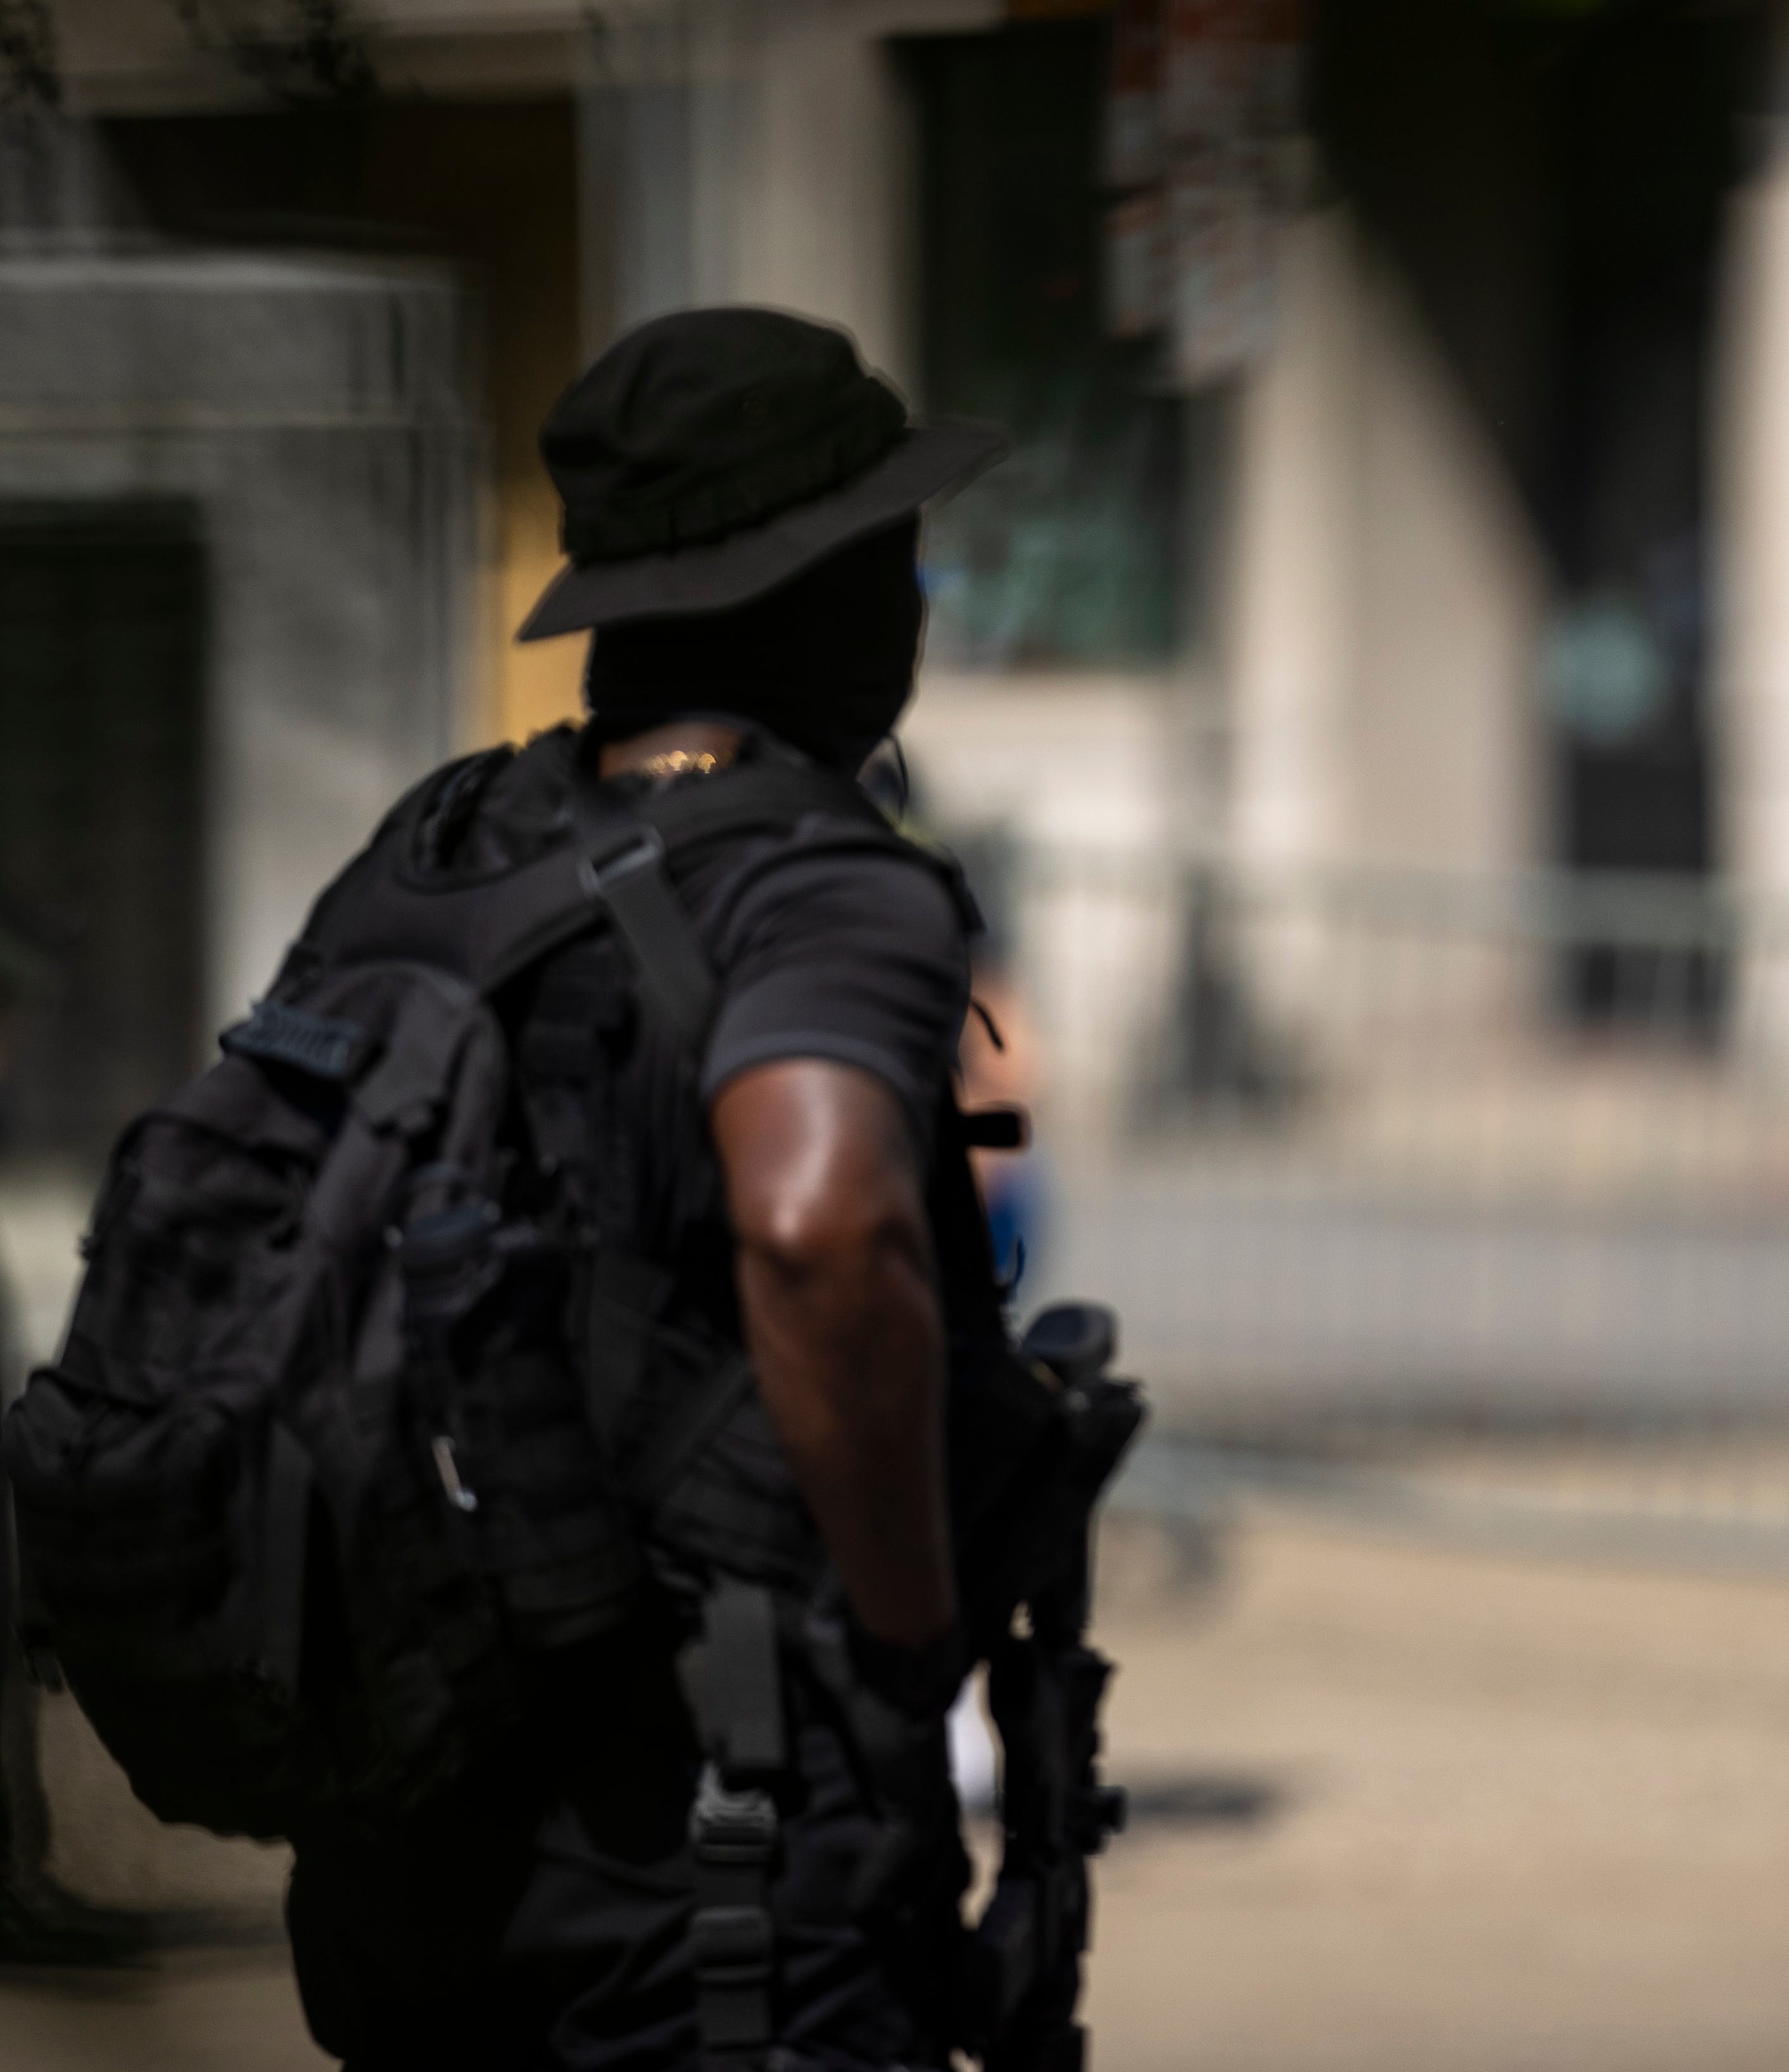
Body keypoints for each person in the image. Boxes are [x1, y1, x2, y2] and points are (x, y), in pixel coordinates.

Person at [275, 308, 1016, 2067]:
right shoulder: (820, 884)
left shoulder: (429, 857)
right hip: (712, 1861)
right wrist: (911, 1647)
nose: (915, 608)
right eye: (894, 558)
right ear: (823, 588)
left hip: (412, 1838)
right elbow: (819, 1227)